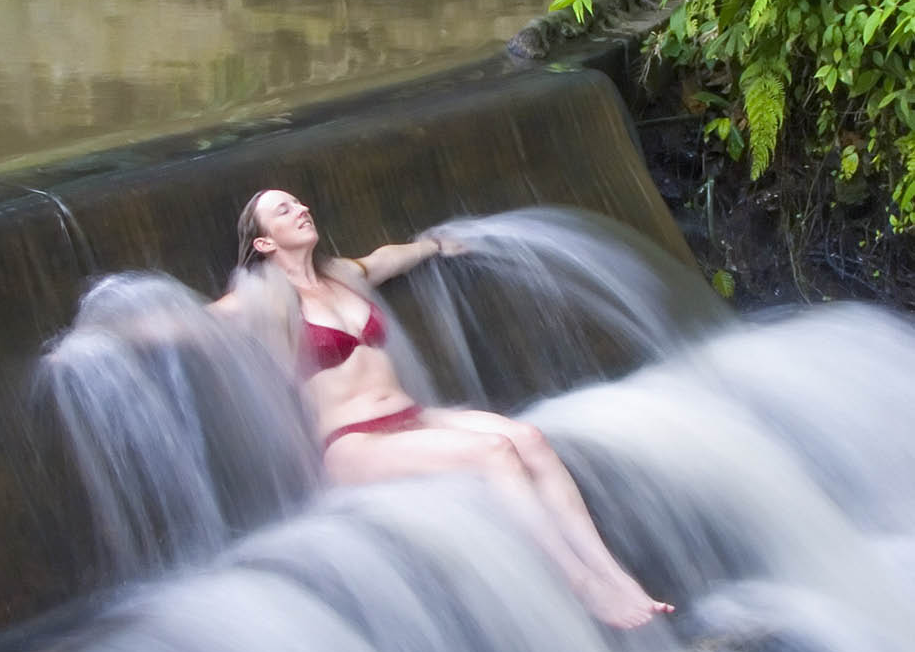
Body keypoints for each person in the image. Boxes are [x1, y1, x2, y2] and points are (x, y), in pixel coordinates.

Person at [213, 189, 673, 628]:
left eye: (298, 201)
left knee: (529, 439)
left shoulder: (343, 276)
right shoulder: (261, 302)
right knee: (494, 452)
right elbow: (193, 321)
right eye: (283, 209)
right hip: (354, 443)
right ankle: (579, 583)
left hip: (411, 417)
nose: (300, 209)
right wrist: (141, 319)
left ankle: (611, 572)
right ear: (264, 241)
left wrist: (433, 245)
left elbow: (385, 259)